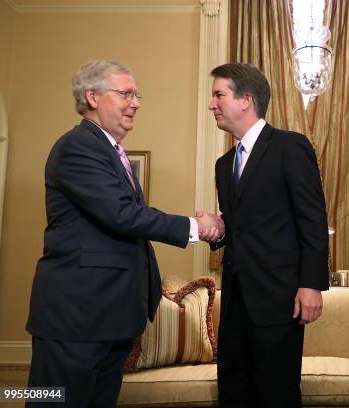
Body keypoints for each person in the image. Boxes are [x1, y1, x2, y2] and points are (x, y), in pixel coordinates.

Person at [25, 59, 224, 407]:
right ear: (92, 97)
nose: (136, 102)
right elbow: (122, 215)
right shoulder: (77, 147)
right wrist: (197, 227)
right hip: (77, 318)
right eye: (126, 93)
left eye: (137, 95)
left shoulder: (108, 151)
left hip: (109, 317)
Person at [208, 63, 329, 407]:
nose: (211, 104)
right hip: (234, 303)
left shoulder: (290, 147)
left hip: (279, 301)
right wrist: (217, 229)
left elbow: (312, 220)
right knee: (233, 393)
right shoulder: (224, 164)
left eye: (219, 95)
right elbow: (242, 227)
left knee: (277, 395)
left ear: (246, 100)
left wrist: (311, 284)